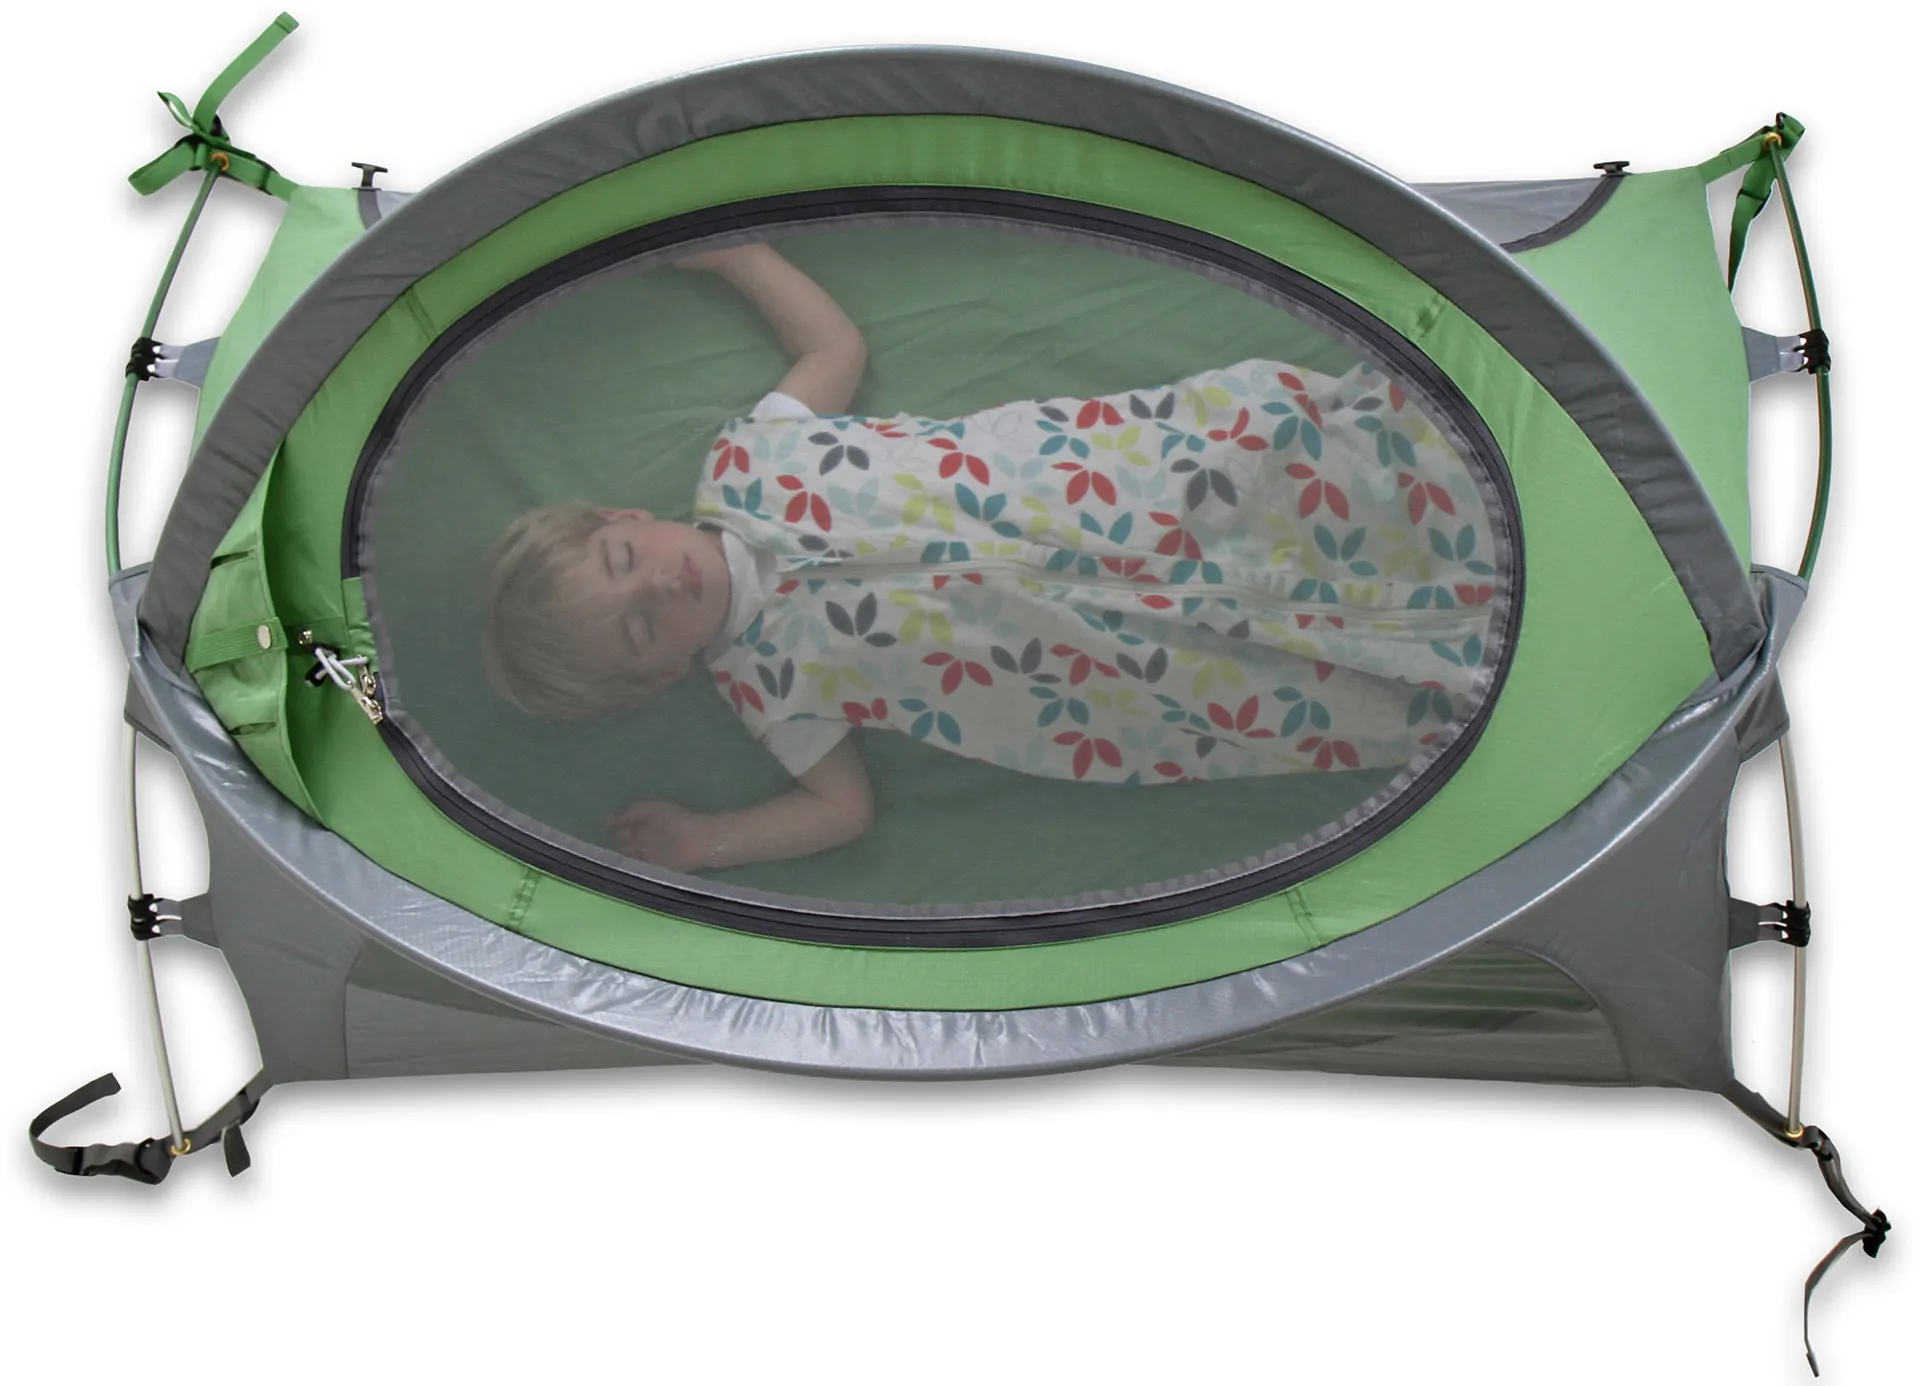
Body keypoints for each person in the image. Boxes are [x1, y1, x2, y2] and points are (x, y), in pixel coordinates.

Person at [482, 240, 1500, 873]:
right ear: (663, 673)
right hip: (1110, 661)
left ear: (625, 515)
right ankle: (1456, 653)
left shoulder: (749, 456)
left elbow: (833, 350)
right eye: (641, 627)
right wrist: (707, 841)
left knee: (1257, 470)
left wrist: (744, 260)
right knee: (1267, 682)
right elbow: (840, 811)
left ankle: (1450, 483)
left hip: (1103, 493)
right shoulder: (768, 689)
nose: (660, 586)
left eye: (625, 559)